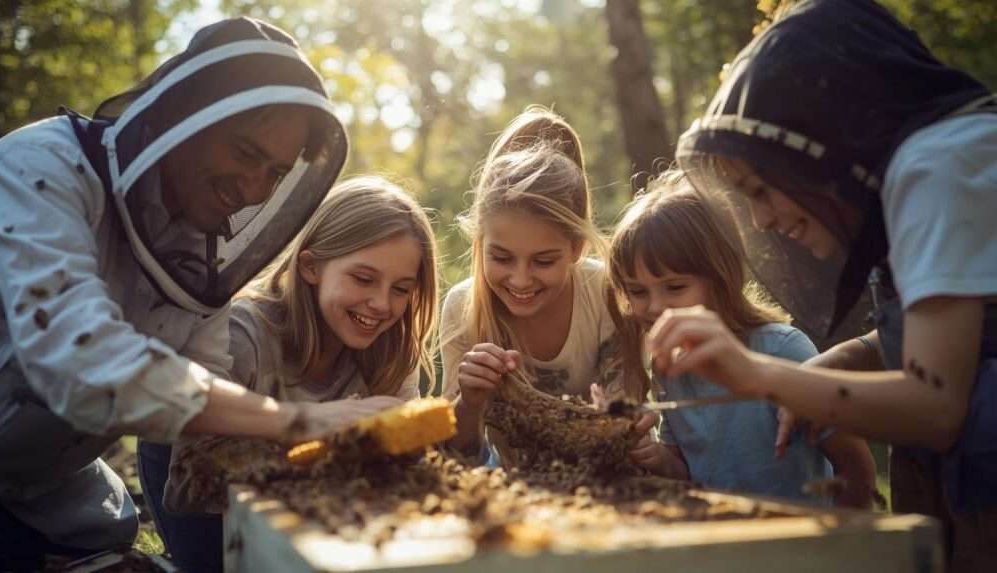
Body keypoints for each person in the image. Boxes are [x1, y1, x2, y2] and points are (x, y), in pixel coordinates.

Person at [0, 17, 398, 571]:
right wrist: (295, 421)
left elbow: (205, 397)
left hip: (49, 488)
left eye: (273, 172)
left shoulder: (198, 257)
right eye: (245, 152)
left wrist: (334, 451)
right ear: (182, 117)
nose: (253, 189)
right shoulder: (39, 170)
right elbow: (79, 357)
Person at [649, 0, 996, 568]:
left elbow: (938, 406)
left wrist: (761, 375)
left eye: (762, 188)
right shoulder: (916, 172)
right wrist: (840, 362)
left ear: (819, 141)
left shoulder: (936, 166)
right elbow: (959, 335)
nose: (759, 220)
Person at [143, 176, 439, 572]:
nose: (382, 304)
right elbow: (187, 486)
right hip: (204, 503)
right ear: (311, 266)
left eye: (401, 288)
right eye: (363, 279)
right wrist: (329, 444)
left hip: (317, 512)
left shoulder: (390, 350)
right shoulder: (241, 339)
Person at [602, 169, 877, 506]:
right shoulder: (670, 368)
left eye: (675, 287)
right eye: (637, 291)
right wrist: (655, 457)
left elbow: (856, 467)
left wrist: (846, 546)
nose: (655, 306)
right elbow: (686, 470)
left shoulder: (783, 350)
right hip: (720, 545)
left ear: (721, 277)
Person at [440, 106, 627, 460]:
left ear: (576, 247)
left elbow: (629, 417)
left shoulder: (605, 292)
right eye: (501, 258)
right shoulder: (461, 309)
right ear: (480, 241)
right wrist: (470, 400)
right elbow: (457, 454)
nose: (521, 279)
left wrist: (615, 417)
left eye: (543, 261)